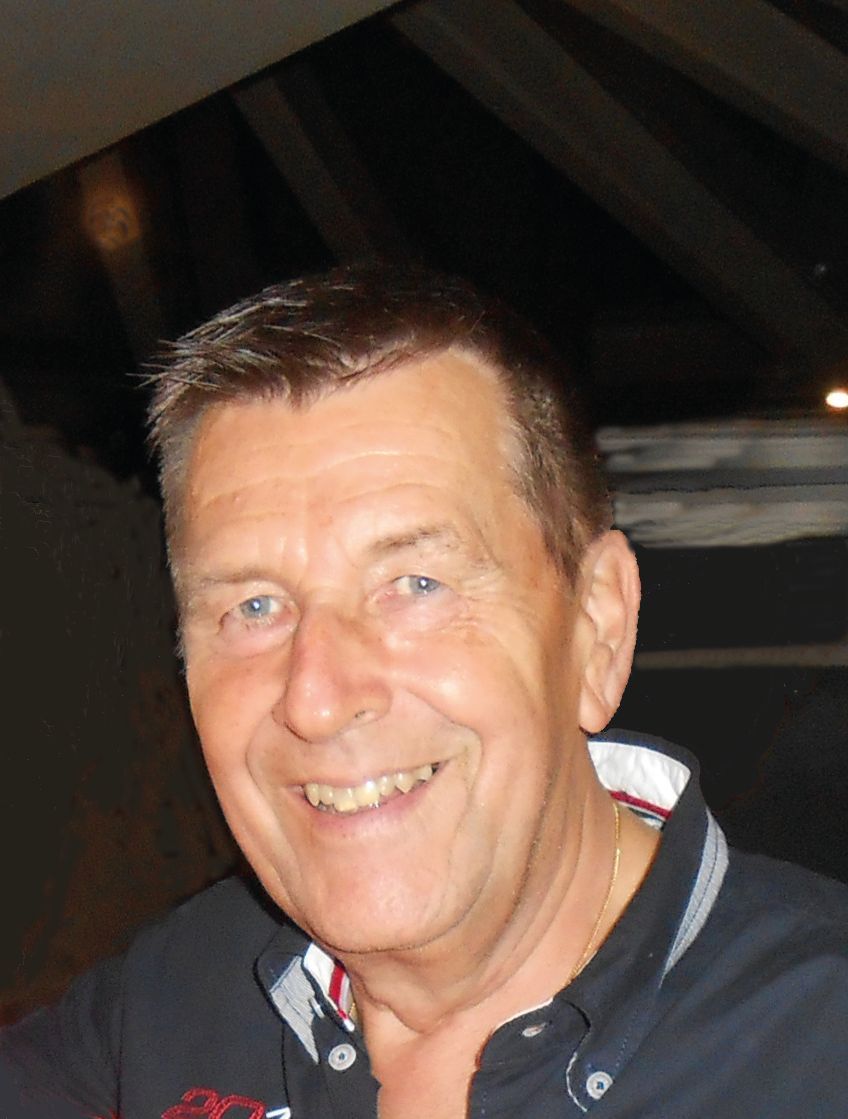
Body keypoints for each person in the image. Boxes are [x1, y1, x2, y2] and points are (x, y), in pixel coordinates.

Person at [2, 262, 847, 1118]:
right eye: (254, 606)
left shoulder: (817, 1046)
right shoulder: (170, 996)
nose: (317, 698)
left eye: (416, 584)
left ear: (596, 628)